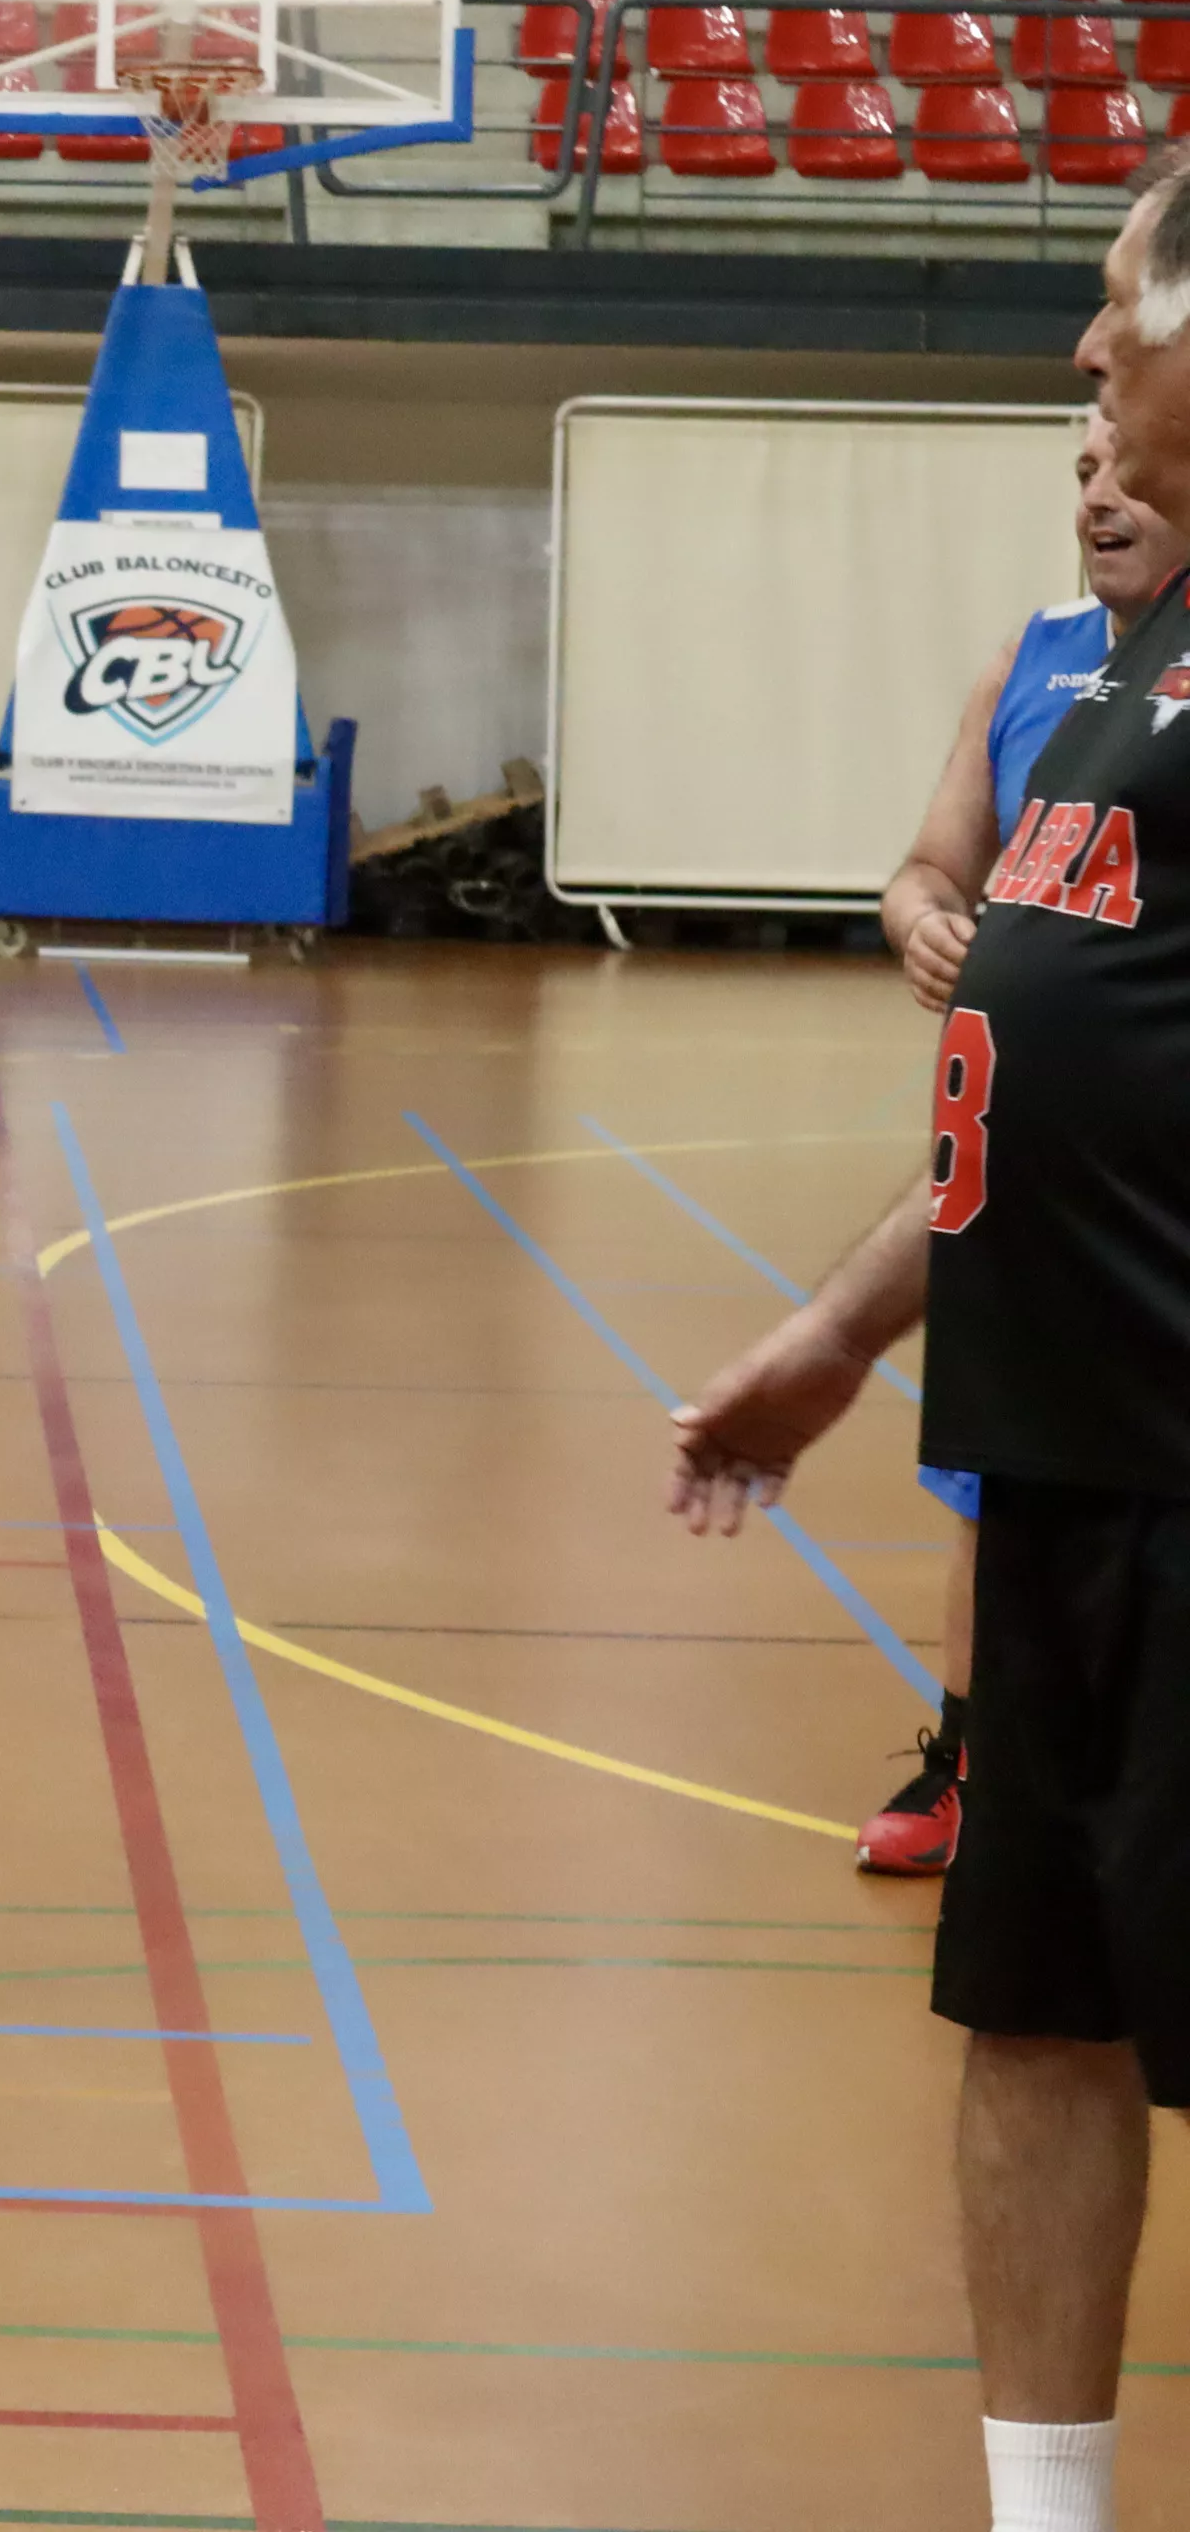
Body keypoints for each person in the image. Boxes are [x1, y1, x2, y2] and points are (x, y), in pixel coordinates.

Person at [668, 150, 1190, 2532]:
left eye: (1120, 313)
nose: (1083, 362)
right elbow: (1044, 1073)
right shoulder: (1120, 673)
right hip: (1069, 1469)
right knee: (1038, 2018)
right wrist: (837, 1336)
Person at [857, 414, 1187, 1875]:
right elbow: (930, 859)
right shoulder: (1036, 655)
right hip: (1016, 1177)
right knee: (994, 1479)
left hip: (1149, 1198)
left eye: (1127, 465)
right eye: (1079, 474)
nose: (1099, 498)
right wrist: (924, 914)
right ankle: (968, 1756)